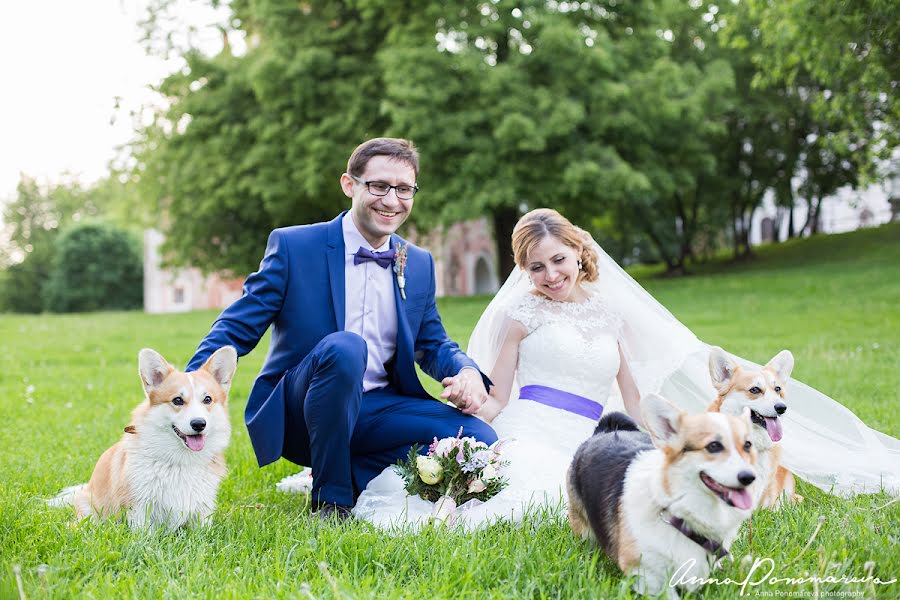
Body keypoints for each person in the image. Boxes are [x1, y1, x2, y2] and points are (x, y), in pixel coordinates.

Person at [350, 208, 900, 530]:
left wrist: (670, 439)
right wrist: (471, 399)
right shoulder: (520, 316)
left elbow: (634, 398)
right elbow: (496, 399)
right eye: (535, 267)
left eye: (558, 261)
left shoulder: (613, 315)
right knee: (521, 499)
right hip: (532, 426)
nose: (550, 275)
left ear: (578, 252)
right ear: (523, 271)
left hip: (594, 430)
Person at [186, 137, 497, 521]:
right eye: (379, 186)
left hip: (377, 406)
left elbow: (431, 341)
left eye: (404, 189)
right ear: (350, 185)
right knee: (346, 347)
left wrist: (465, 370)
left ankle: (353, 472)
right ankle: (331, 501)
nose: (392, 200)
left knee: (480, 441)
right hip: (305, 407)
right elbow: (238, 324)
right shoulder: (294, 246)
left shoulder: (416, 262)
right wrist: (190, 386)